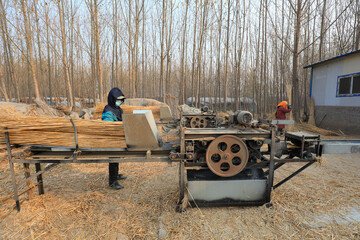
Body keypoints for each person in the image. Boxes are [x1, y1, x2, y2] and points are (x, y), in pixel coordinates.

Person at [102, 88, 127, 190]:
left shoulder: (117, 109)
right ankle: (112, 181)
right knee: (113, 159)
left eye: (121, 100)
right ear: (112, 99)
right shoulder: (108, 111)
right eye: (118, 99)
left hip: (118, 138)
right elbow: (108, 127)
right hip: (111, 139)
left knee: (117, 158)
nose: (120, 102)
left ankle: (116, 175)